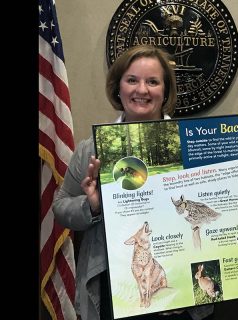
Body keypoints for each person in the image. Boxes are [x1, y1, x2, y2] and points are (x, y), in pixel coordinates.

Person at [53, 45, 214, 320]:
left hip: (181, 291)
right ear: (118, 88)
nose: (142, 89)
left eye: (153, 81)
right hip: (116, 291)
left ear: (165, 91)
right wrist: (92, 206)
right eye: (132, 80)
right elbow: (60, 207)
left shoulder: (193, 145)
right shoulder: (91, 149)